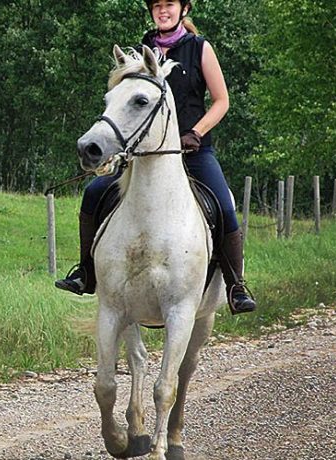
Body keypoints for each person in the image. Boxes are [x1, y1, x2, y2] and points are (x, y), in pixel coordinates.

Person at [55, 0, 257, 314]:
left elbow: (222, 101)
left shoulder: (200, 48)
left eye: (169, 5)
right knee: (94, 193)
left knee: (223, 205)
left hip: (193, 149)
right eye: (157, 6)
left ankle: (236, 286)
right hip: (145, 153)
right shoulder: (142, 49)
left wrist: (196, 133)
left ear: (184, 9)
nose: (163, 10)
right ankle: (86, 273)